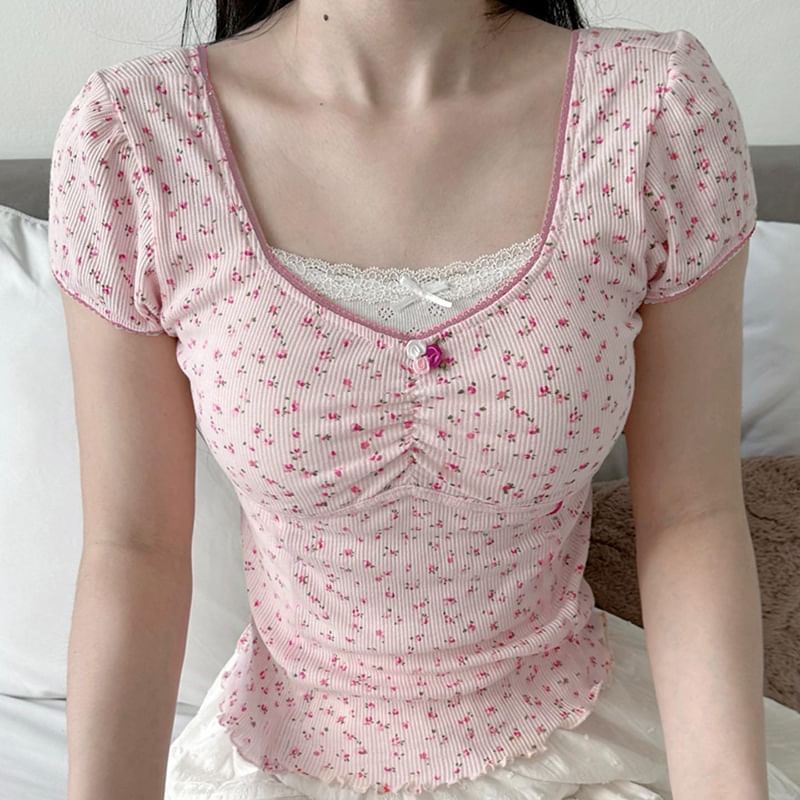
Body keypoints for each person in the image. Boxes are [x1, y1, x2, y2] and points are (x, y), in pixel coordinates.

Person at [47, 1, 798, 799]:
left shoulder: (657, 112)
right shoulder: (134, 140)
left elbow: (690, 515)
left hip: (579, 736)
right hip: (286, 756)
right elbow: (136, 549)